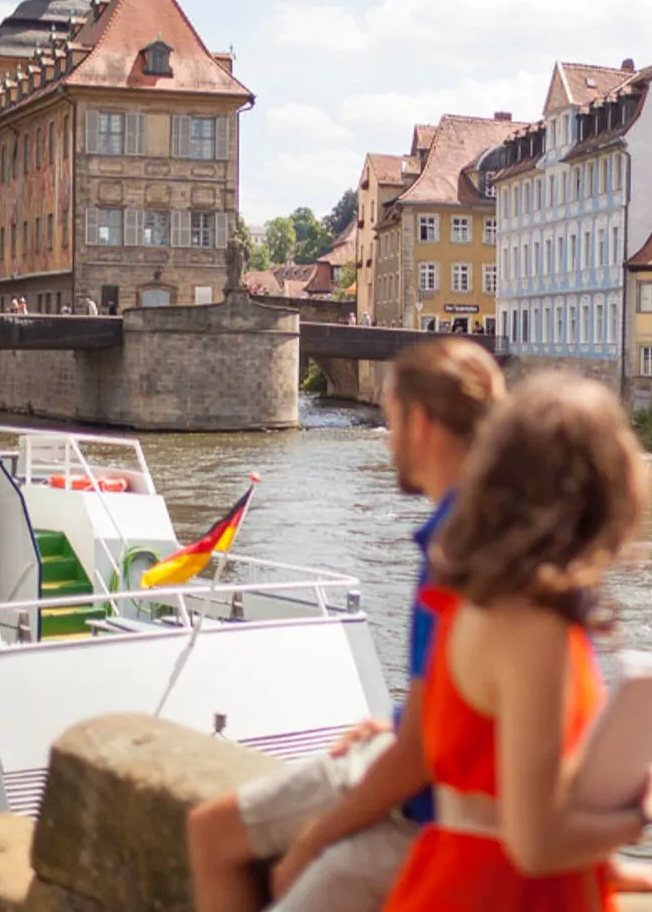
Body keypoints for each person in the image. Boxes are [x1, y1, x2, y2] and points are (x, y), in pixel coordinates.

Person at [188, 338, 502, 912]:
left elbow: (424, 752)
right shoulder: (507, 526)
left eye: (392, 424)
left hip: (439, 807)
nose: (389, 446)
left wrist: (314, 839)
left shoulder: (454, 549)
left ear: (423, 425)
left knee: (213, 834)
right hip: (446, 782)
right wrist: (397, 724)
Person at [383, 374, 652, 911]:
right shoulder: (531, 624)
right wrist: (639, 814)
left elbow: (501, 775)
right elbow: (535, 844)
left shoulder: (473, 598)